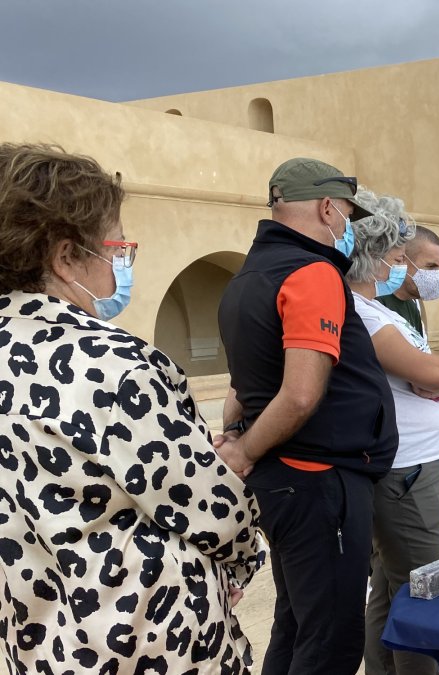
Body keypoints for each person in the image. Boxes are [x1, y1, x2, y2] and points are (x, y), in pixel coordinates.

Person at [0, 143, 261, 673]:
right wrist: (242, 559)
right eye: (116, 247)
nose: (121, 263)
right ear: (67, 256)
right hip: (147, 637)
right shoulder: (113, 364)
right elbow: (209, 511)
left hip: (35, 639)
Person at [216, 158, 398, 674]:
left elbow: (243, 385)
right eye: (346, 213)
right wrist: (245, 451)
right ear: (326, 207)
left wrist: (237, 434)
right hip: (320, 482)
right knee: (332, 642)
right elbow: (299, 394)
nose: (347, 226)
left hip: (289, 481)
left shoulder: (248, 276)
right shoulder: (312, 272)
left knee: (297, 623)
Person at [342, 194, 439, 675]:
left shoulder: (376, 310)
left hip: (413, 465)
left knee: (392, 587)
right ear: (371, 259)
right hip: (405, 470)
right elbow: (435, 375)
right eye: (394, 258)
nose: (399, 266)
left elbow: (431, 374)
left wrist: (436, 372)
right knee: (420, 588)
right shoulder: (366, 313)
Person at [377, 225, 439, 334]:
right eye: (431, 266)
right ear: (402, 260)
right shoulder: (375, 301)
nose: (437, 274)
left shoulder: (414, 305)